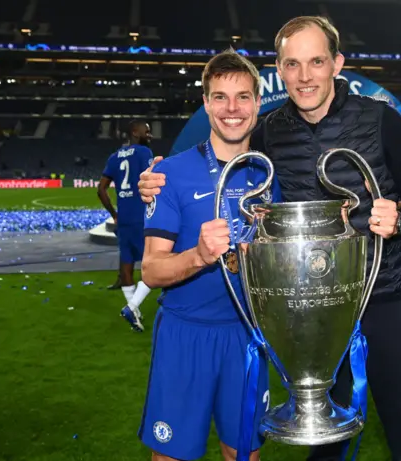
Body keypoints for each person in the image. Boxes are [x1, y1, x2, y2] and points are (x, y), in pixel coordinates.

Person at [138, 16, 401, 461]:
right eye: (292, 64)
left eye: (315, 62)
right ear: (280, 69)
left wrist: (400, 218)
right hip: (316, 312)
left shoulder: (382, 119)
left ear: (336, 64)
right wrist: (153, 181)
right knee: (322, 439)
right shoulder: (268, 134)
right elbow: (225, 152)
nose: (304, 76)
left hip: (386, 298)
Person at [138, 49, 282, 461]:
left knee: (246, 455)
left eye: (242, 97)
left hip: (247, 336)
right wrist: (198, 256)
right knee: (172, 456)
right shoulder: (172, 174)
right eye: (220, 97)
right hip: (186, 335)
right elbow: (150, 270)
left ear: (257, 102)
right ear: (206, 103)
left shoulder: (271, 176)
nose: (232, 109)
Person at [98, 120, 154, 332]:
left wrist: (114, 214)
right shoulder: (143, 153)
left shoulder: (115, 157)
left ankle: (135, 312)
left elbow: (101, 190)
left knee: (127, 265)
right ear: (134, 132)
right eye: (146, 131)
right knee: (155, 264)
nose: (149, 135)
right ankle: (133, 306)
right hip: (143, 218)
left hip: (125, 220)